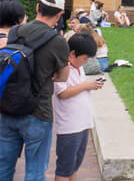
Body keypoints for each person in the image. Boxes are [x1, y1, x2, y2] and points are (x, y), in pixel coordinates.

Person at [0, 0, 70, 181]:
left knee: (3, 167)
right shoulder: (58, 41)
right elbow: (63, 77)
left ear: (37, 7)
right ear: (59, 15)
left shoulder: (15, 32)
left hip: (8, 106)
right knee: (35, 172)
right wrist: (50, 75)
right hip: (38, 112)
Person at [52, 33, 104, 181]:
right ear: (72, 54)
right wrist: (85, 85)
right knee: (65, 167)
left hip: (83, 124)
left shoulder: (78, 68)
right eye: (84, 59)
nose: (85, 62)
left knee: (75, 164)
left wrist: (90, 86)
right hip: (70, 127)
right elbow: (62, 93)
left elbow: (79, 87)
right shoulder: (63, 67)